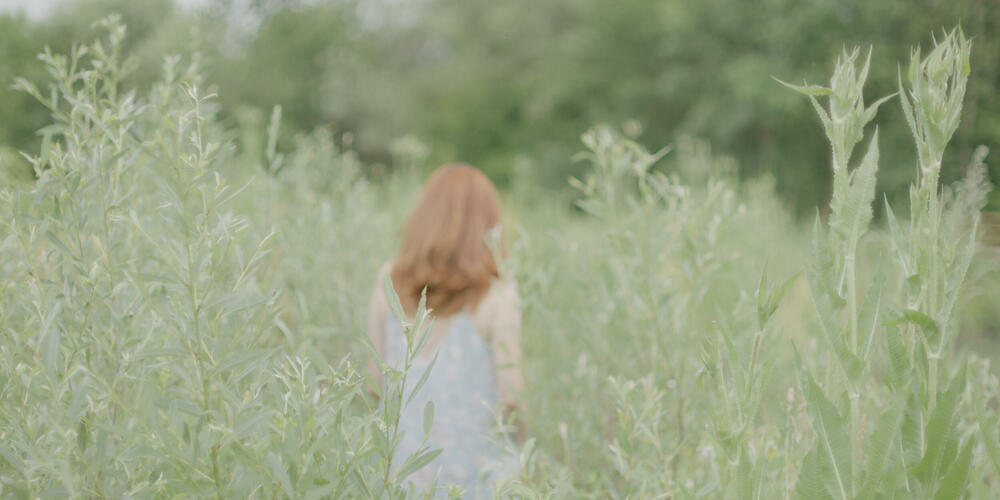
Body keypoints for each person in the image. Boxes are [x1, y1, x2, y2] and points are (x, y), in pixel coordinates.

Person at [367, 164, 524, 498]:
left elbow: (374, 384)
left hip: (400, 479)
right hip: (477, 482)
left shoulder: (388, 282)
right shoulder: (496, 293)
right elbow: (511, 395)